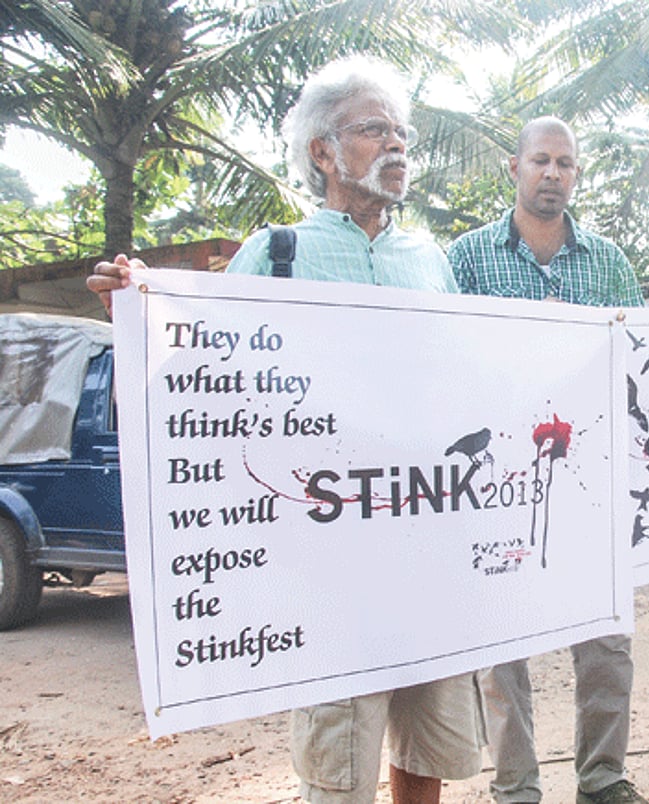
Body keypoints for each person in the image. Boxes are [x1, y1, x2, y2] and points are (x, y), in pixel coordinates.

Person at [87, 56, 484, 804]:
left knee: (428, 736)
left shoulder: (430, 260)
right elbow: (199, 367)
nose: (396, 146)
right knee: (340, 756)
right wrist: (136, 309)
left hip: (429, 538)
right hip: (326, 548)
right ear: (324, 153)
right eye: (373, 130)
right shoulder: (277, 253)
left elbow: (465, 377)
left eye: (402, 133)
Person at [447, 116, 648, 804]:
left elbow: (637, 359)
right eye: (541, 160)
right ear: (515, 168)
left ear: (577, 174)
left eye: (566, 163)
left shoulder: (609, 262)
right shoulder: (467, 259)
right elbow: (443, 360)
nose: (553, 174)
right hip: (498, 482)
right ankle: (516, 788)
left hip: (592, 479)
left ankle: (602, 779)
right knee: (502, 650)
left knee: (607, 642)